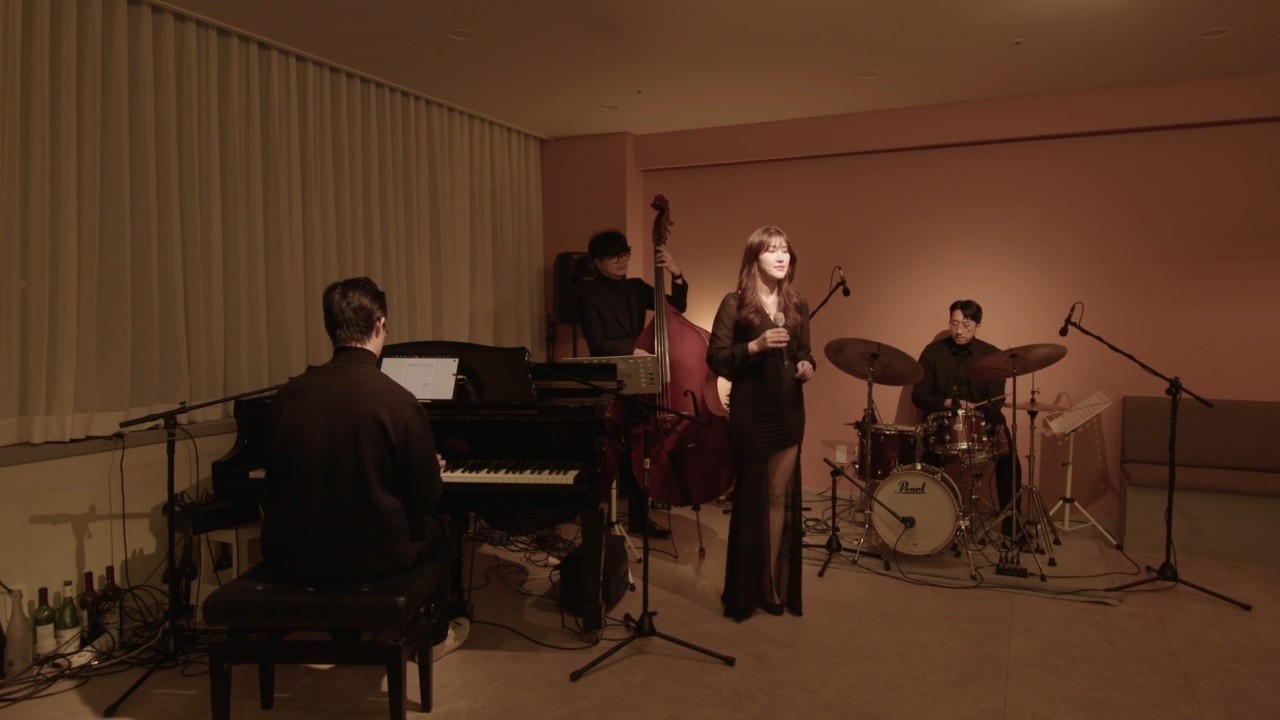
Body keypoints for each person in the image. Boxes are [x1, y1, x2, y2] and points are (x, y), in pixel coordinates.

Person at [262, 276, 466, 657]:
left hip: (291, 556)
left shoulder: (286, 397)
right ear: (379, 325)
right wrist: (427, 467)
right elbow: (427, 497)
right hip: (370, 560)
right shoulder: (398, 400)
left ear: (330, 328)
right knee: (438, 532)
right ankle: (436, 637)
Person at [707, 226, 815, 620]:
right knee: (751, 499)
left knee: (777, 497)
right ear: (754, 259)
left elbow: (805, 352)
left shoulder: (797, 304)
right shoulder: (735, 303)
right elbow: (717, 358)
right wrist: (754, 346)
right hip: (751, 413)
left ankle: (770, 584)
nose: (781, 256)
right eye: (771, 250)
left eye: (785, 249)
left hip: (789, 412)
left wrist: (807, 365)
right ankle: (744, 591)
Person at [577, 229, 688, 538]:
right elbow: (598, 344)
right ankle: (597, 514)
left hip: (637, 375)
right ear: (598, 262)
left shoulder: (636, 288)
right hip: (609, 378)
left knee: (641, 447)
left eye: (624, 254)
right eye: (614, 256)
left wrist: (677, 274)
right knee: (609, 449)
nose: (621, 260)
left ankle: (639, 518)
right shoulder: (588, 295)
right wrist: (633, 349)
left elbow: (676, 306)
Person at [911, 299, 1021, 538]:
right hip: (941, 423)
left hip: (982, 421)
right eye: (954, 324)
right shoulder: (933, 352)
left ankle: (1013, 524)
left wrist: (984, 415)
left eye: (966, 325)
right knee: (923, 458)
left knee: (1010, 459)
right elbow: (918, 396)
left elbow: (995, 400)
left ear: (977, 325)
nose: (959, 330)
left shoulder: (992, 355)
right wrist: (948, 403)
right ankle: (927, 520)